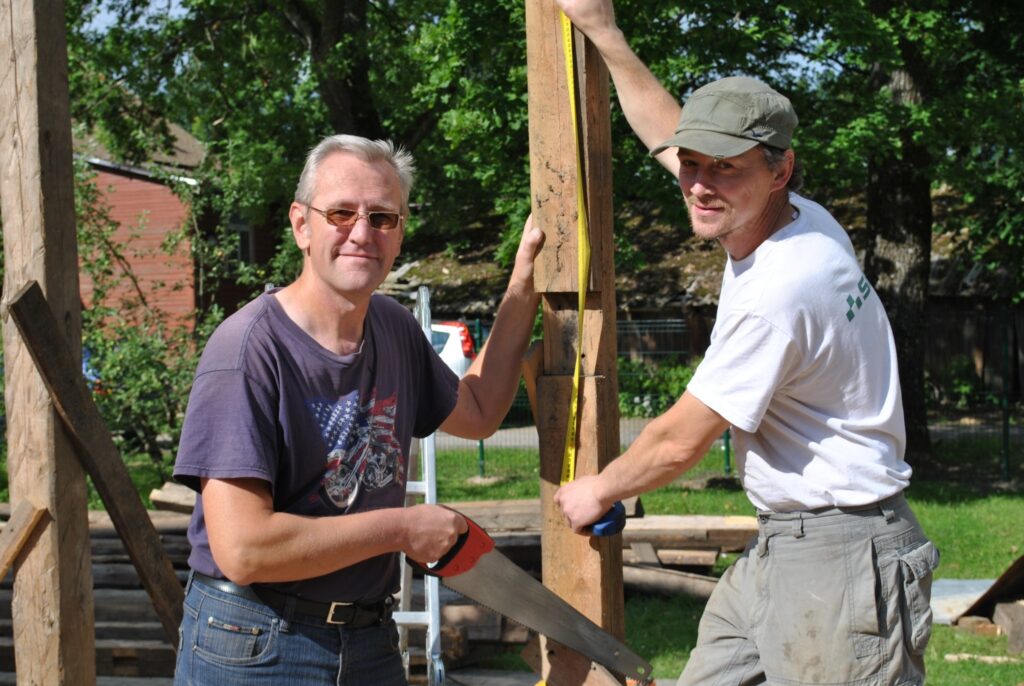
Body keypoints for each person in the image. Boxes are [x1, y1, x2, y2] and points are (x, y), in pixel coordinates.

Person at [552, 2, 940, 685]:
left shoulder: (781, 289)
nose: (699, 185)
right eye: (692, 165)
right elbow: (665, 132)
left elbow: (681, 440)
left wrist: (599, 489)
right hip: (786, 544)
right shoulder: (802, 218)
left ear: (779, 170)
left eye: (725, 168)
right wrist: (606, 35)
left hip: (843, 558)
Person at [172, 134, 543, 685]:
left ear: (400, 232)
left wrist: (526, 281)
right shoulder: (248, 350)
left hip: (368, 637)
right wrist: (402, 528)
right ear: (302, 224)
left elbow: (480, 409)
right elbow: (244, 549)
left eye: (382, 217)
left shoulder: (393, 328)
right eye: (341, 213)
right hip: (256, 640)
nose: (363, 233)